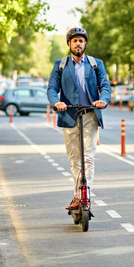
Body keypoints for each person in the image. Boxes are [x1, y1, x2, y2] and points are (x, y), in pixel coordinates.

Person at [47, 27, 111, 210]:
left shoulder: (95, 64)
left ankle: (86, 196)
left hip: (90, 115)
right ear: (69, 44)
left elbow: (105, 85)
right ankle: (77, 195)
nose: (78, 43)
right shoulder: (60, 65)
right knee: (75, 158)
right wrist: (56, 102)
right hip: (69, 116)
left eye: (81, 40)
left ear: (85, 44)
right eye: (74, 40)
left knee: (88, 157)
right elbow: (52, 88)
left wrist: (103, 100)